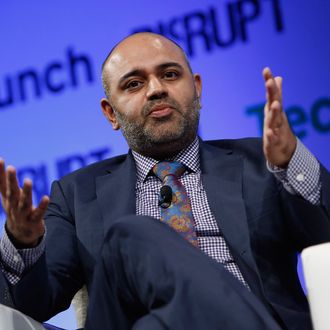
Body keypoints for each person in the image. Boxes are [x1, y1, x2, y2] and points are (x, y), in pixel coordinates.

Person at [0, 32, 329, 329]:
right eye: (134, 84)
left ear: (197, 88)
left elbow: (323, 238)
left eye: (170, 75)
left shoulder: (261, 161)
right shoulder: (76, 194)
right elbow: (33, 305)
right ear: (110, 113)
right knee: (130, 238)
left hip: (248, 322)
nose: (156, 89)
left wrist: (291, 164)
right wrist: (23, 245)